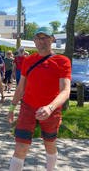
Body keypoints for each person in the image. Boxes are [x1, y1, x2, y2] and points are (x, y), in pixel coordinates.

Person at [8, 27, 71, 171]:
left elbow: (66, 90)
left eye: (45, 38)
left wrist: (50, 107)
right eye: (38, 38)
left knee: (50, 144)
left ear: (52, 39)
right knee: (20, 147)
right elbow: (20, 88)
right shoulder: (28, 60)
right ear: (34, 40)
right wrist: (12, 108)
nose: (41, 41)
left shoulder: (62, 61)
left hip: (51, 110)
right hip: (28, 108)